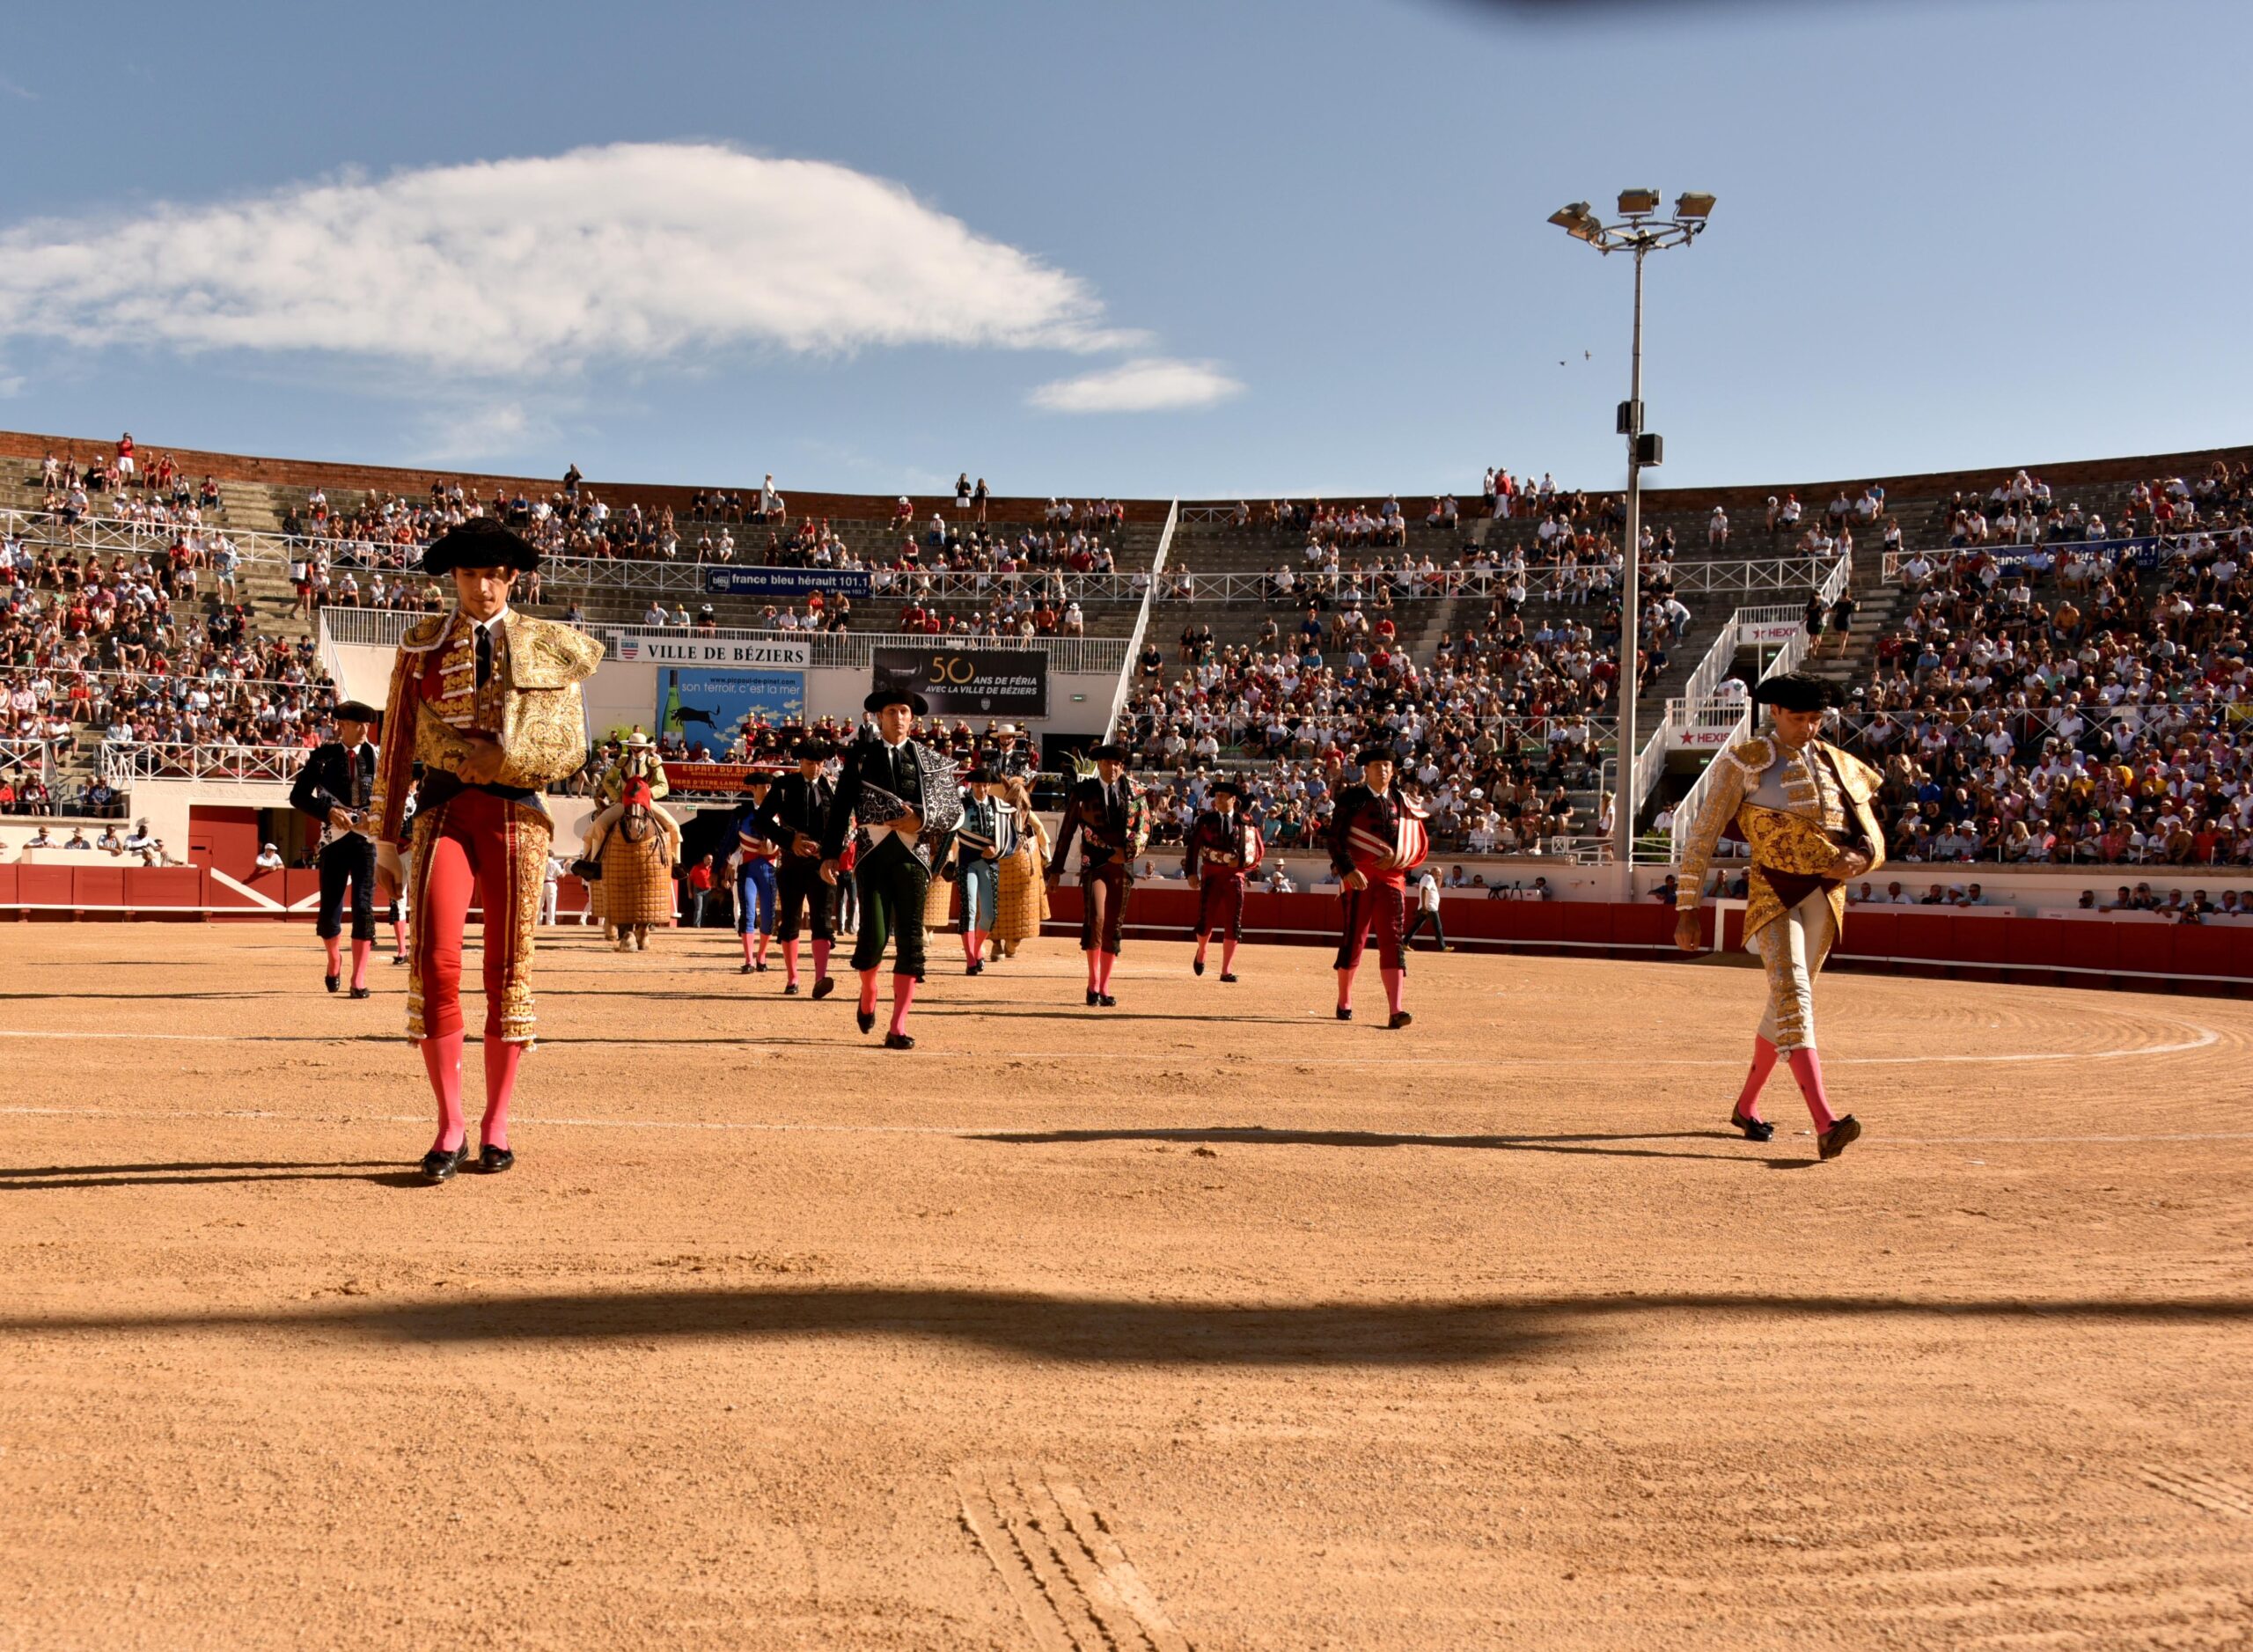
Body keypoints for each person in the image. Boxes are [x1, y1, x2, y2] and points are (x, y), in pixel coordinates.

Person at [368, 518, 604, 1183]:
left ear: (513, 578)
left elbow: (570, 748)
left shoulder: (550, 646)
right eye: (471, 575)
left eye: (494, 575)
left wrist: (505, 758)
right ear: (455, 577)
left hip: (516, 814)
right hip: (443, 811)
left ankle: (496, 1124)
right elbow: (396, 745)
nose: (483, 588)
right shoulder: (421, 645)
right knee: (435, 961)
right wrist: (385, 841)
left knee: (507, 969)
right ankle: (450, 1125)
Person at [1674, 670, 1884, 1161]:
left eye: (1815, 719)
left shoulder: (1838, 763)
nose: (1808, 728)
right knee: (1793, 997)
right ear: (1774, 712)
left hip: (1828, 895)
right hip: (1773, 891)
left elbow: (1872, 835)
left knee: (1786, 1005)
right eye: (1797, 718)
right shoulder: (1745, 761)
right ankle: (1826, 1122)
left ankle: (1746, 1107)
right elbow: (1703, 835)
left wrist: (1863, 858)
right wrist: (1688, 908)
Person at [821, 686, 962, 1049]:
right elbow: (841, 807)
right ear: (879, 718)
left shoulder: (929, 759)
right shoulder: (861, 757)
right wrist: (830, 853)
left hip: (914, 857)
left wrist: (920, 821)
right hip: (872, 854)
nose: (898, 717)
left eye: (903, 711)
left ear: (912, 719)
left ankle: (898, 1026)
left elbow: (951, 811)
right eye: (891, 711)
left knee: (911, 940)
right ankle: (869, 991)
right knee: (874, 936)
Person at [1327, 745, 1429, 1028]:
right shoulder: (1351, 798)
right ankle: (1345, 999)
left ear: (1393, 771)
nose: (1382, 770)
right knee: (1354, 939)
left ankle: (1396, 1009)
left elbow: (1417, 843)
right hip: (1359, 878)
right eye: (1376, 766)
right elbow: (1335, 839)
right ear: (1366, 770)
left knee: (1393, 939)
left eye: (1387, 765)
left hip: (1392, 878)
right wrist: (1349, 869)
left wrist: (1397, 858)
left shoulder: (1402, 802)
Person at [290, 699, 385, 999]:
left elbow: (390, 796)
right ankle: (334, 960)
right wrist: (328, 812)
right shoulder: (323, 757)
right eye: (358, 725)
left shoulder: (377, 757)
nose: (365, 730)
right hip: (333, 840)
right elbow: (298, 796)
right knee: (330, 907)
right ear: (342, 725)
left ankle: (359, 978)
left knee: (363, 906)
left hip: (365, 840)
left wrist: (376, 816)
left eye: (367, 725)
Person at [1049, 744, 1149, 1006]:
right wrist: (1056, 870)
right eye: (1106, 763)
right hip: (1094, 864)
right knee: (1097, 919)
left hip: (1122, 867)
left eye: (1116, 763)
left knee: (1113, 924)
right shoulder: (1083, 791)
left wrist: (1128, 853)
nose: (1111, 767)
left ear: (1122, 767)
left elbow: (1144, 828)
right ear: (1098, 765)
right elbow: (1067, 831)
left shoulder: (1135, 793)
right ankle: (1093, 984)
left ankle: (1104, 987)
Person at [749, 739, 837, 996]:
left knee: (822, 919)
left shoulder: (831, 787)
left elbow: (841, 826)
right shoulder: (784, 786)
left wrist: (827, 850)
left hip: (821, 863)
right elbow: (761, 820)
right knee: (790, 919)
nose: (816, 768)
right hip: (792, 862)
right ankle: (793, 977)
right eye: (810, 763)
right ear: (800, 762)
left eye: (819, 763)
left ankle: (820, 977)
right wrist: (790, 840)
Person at [583, 732, 680, 952]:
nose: (636, 750)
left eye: (639, 747)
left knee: (674, 827)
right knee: (596, 827)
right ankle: (593, 862)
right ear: (629, 747)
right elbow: (608, 781)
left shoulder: (654, 763)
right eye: (633, 747)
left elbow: (664, 786)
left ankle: (675, 862)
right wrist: (619, 795)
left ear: (645, 747)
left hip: (647, 803)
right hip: (624, 803)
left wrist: (647, 793)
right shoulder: (620, 763)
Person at [1183, 778, 1264, 981]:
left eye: (1222, 796)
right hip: (1211, 875)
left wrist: (1243, 865)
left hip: (1234, 877)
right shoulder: (1205, 820)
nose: (1217, 799)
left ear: (1233, 799)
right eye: (1216, 796)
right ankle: (1202, 951)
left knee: (1233, 922)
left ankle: (1226, 970)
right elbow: (1193, 848)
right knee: (1206, 920)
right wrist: (1191, 873)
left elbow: (1257, 851)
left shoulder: (1246, 821)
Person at [951, 765, 1016, 975]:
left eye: (986, 785)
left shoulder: (999, 806)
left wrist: (997, 849)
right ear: (972, 786)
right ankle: (971, 959)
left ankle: (977, 949)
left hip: (990, 863)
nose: (983, 789)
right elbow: (948, 833)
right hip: (967, 862)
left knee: (989, 915)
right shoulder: (961, 805)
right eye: (978, 786)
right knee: (968, 910)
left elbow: (1011, 838)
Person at [990, 773, 1050, 959]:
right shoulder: (999, 765)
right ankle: (996, 943)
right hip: (1003, 803)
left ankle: (1047, 857)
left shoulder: (1021, 764)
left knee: (1039, 827)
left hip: (1022, 803)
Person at [730, 772, 780, 972]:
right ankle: (749, 960)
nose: (767, 790)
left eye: (769, 787)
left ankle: (762, 956)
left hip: (769, 868)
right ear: (752, 789)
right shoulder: (742, 812)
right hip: (748, 867)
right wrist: (722, 865)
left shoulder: (780, 814)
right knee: (748, 913)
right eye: (763, 787)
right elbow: (729, 840)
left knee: (768, 916)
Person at [1400, 865, 1449, 953]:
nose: (1439, 875)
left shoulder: (1427, 878)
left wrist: (1441, 876)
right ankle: (1442, 947)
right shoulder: (1429, 878)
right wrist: (1424, 906)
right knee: (1438, 927)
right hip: (1429, 907)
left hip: (1427, 906)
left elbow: (1436, 888)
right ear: (1434, 872)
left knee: (1416, 926)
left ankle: (1405, 942)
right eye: (1438, 873)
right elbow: (1424, 889)